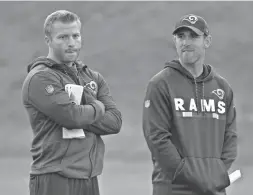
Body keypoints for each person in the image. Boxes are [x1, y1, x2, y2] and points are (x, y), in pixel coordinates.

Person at [22, 10, 122, 195]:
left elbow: (115, 122)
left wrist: (84, 110)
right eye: (63, 37)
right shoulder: (41, 77)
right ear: (48, 40)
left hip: (89, 178)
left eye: (75, 36)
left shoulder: (92, 77)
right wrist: (97, 105)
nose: (71, 42)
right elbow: (72, 117)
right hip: (54, 177)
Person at [142, 14, 237, 195]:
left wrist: (216, 174)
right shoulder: (161, 84)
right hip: (174, 188)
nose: (186, 42)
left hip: (213, 188)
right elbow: (157, 138)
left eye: (193, 36)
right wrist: (190, 175)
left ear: (207, 41)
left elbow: (230, 137)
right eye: (181, 36)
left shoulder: (222, 88)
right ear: (175, 41)